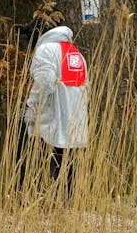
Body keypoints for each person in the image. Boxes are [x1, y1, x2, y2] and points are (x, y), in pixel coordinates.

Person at [23, 22, 88, 193]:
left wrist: (32, 108)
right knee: (69, 167)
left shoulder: (45, 50)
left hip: (53, 121)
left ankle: (39, 198)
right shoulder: (76, 52)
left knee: (44, 161)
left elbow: (44, 84)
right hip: (76, 122)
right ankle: (67, 206)